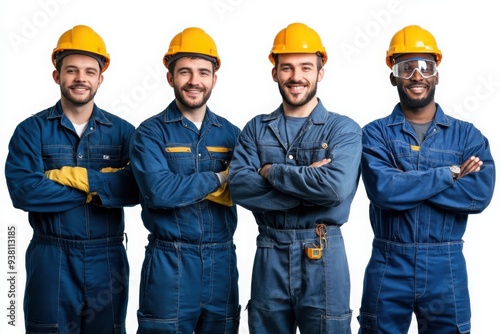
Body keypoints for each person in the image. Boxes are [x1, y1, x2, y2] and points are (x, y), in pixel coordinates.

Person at [357, 25, 496, 333]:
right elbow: (384, 191)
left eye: (425, 67)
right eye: (406, 68)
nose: (417, 76)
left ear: (437, 74)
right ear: (393, 75)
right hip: (389, 261)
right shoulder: (374, 134)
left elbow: (478, 196)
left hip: (445, 268)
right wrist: (452, 173)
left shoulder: (468, 137)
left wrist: (407, 183)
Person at [5, 25, 139, 333]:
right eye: (72, 70)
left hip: (107, 259)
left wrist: (67, 180)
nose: (81, 78)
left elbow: (137, 188)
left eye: (90, 71)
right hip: (51, 257)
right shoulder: (31, 131)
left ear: (100, 79)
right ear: (57, 76)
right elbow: (24, 192)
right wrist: (100, 187)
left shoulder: (124, 133)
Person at [228, 22, 361, 333]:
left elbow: (335, 188)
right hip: (269, 252)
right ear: (274, 72)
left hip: (324, 252)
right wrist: (310, 185)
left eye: (305, 67)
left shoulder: (343, 129)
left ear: (320, 71)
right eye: (286, 68)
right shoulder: (255, 129)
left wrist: (271, 172)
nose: (296, 76)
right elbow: (240, 188)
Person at [129, 27, 241, 333]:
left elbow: (247, 188)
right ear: (170, 77)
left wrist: (187, 186)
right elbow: (159, 192)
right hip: (170, 263)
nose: (194, 81)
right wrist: (220, 179)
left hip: (222, 263)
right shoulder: (150, 133)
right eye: (185, 72)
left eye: (203, 72)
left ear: (214, 79)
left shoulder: (232, 134)